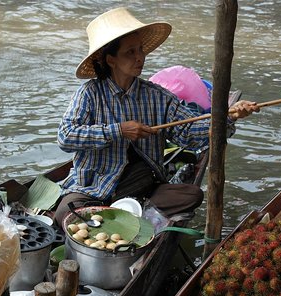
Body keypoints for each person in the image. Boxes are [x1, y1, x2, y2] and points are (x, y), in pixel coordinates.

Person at [52, 7, 259, 227]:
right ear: (110, 60)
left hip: (142, 187)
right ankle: (127, 216)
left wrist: (228, 116)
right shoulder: (89, 94)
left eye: (140, 50)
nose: (140, 57)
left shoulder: (157, 96)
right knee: (64, 214)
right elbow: (65, 137)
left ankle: (129, 215)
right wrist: (119, 130)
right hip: (95, 187)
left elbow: (191, 133)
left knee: (192, 196)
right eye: (130, 52)